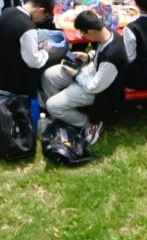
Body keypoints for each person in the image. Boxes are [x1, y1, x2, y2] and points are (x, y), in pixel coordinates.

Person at [39, 10, 127, 143]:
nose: (83, 38)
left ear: (91, 31)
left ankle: (89, 124)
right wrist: (89, 56)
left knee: (51, 105)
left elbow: (94, 87)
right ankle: (63, 115)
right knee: (48, 76)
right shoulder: (108, 34)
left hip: (99, 93)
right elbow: (100, 53)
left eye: (83, 33)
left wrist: (76, 75)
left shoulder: (112, 56)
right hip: (88, 73)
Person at [0, 0, 60, 108]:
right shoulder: (27, 27)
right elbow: (33, 62)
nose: (41, 21)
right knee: (56, 56)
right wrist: (45, 52)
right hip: (12, 82)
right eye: (44, 18)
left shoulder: (7, 11)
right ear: (41, 10)